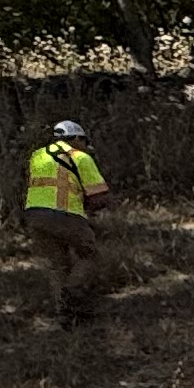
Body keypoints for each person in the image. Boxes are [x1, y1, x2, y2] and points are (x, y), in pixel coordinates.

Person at [25, 118, 112, 296]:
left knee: (58, 265)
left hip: (34, 216)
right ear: (76, 139)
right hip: (65, 214)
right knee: (89, 256)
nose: (85, 145)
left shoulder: (37, 156)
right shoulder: (80, 157)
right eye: (84, 141)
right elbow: (99, 197)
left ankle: (62, 312)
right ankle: (73, 294)